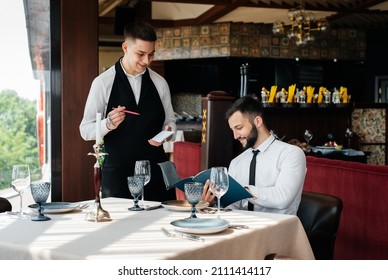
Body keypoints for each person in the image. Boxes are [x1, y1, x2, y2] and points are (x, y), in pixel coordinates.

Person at [79, 22, 176, 202]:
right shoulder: (102, 83)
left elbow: (170, 122)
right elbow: (85, 130)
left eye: (151, 54)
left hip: (155, 174)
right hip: (117, 176)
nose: (147, 61)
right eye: (140, 54)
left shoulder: (160, 83)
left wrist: (168, 133)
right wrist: (108, 124)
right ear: (125, 47)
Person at [202, 96, 306, 215]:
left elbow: (282, 198)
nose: (235, 136)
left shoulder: (291, 154)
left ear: (257, 121)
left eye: (239, 128)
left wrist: (241, 191)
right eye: (233, 130)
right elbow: (232, 207)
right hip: (242, 228)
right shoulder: (236, 162)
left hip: (277, 229)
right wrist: (213, 204)